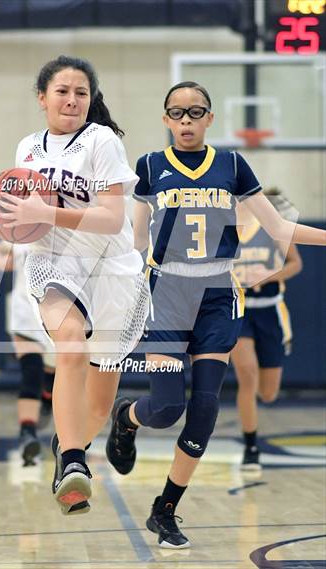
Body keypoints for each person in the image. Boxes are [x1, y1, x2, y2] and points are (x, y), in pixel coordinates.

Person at [105, 81, 326, 548]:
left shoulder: (231, 164)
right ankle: (126, 418)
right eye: (177, 113)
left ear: (210, 118)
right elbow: (135, 241)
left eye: (195, 112)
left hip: (218, 293)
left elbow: (280, 228)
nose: (186, 121)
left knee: (204, 410)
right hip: (165, 291)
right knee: (166, 408)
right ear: (165, 120)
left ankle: (165, 510)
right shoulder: (148, 167)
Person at [0, 55, 148, 515]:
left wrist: (43, 213)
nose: (72, 99)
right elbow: (27, 218)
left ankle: (69, 446)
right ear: (43, 98)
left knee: (96, 407)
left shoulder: (102, 141)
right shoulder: (27, 148)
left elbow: (112, 217)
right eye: (62, 91)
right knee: (69, 340)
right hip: (55, 262)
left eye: (80, 92)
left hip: (114, 271)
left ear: (90, 99)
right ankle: (75, 459)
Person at [231, 189, 302, 471]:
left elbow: (296, 263)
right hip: (240, 310)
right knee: (246, 375)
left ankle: (253, 422)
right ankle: (251, 446)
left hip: (270, 310)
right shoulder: (226, 228)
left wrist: (267, 275)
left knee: (268, 393)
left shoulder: (275, 227)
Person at [0, 241, 56, 466]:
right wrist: (2, 257)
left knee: (55, 374)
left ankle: (48, 395)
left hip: (60, 312)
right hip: (26, 312)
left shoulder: (71, 228)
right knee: (31, 371)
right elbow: (1, 254)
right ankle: (27, 432)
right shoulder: (24, 233)